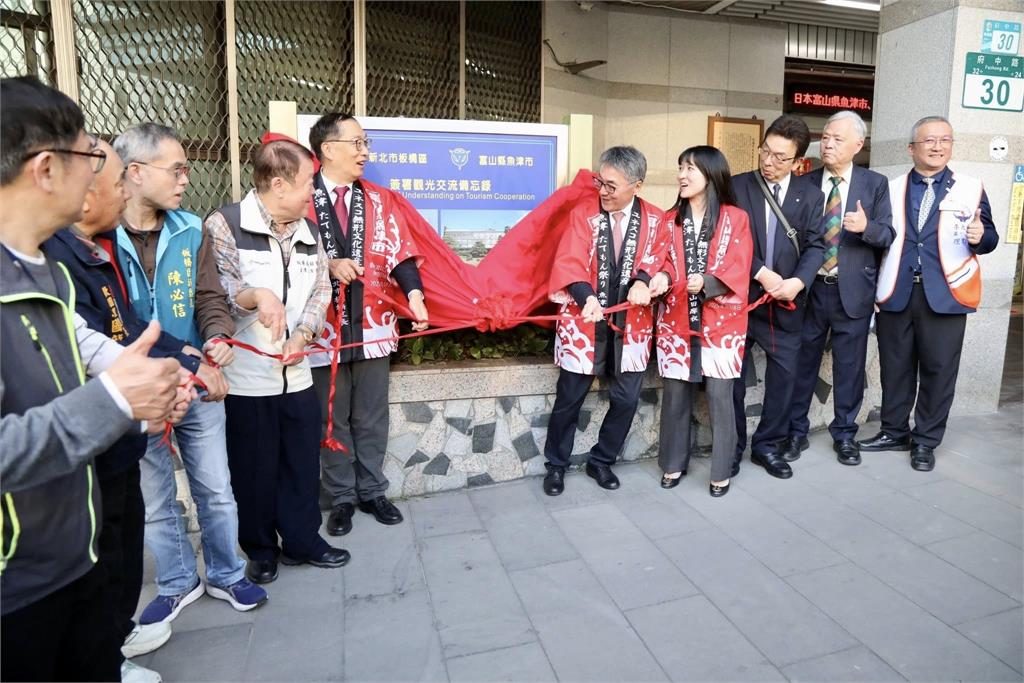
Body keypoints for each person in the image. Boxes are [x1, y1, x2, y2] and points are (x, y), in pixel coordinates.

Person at [0, 75, 181, 682]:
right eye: (91, 158)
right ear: (46, 168)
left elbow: (83, 343)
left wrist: (142, 374)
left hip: (74, 557)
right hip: (14, 591)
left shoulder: (44, 264)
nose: (104, 175)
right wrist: (114, 399)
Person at [43, 139, 199, 682]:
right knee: (102, 554)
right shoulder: (52, 262)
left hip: (120, 438)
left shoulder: (95, 248)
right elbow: (85, 351)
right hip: (92, 446)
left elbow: (125, 331)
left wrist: (177, 360)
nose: (115, 194)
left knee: (124, 547)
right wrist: (147, 396)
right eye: (111, 186)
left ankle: (117, 635)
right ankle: (106, 655)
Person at [113, 123, 267, 623]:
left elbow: (208, 298)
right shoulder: (98, 239)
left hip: (199, 384)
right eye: (176, 169)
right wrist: (190, 359)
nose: (185, 178)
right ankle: (179, 581)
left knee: (216, 490)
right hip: (139, 391)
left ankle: (226, 573)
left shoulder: (190, 228)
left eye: (186, 168)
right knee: (156, 498)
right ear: (134, 173)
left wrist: (218, 338)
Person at [206, 138, 350, 584]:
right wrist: (257, 297)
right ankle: (261, 548)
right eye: (309, 183)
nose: (314, 192)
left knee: (301, 464)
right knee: (254, 469)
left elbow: (320, 290)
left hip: (298, 372)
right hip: (248, 378)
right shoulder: (226, 224)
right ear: (279, 184)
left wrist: (305, 332)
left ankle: (303, 540)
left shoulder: (311, 230)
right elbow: (222, 291)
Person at [306, 113, 428, 536]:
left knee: (371, 416)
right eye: (356, 143)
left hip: (374, 326)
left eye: (365, 143)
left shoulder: (379, 200)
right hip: (319, 332)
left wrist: (414, 295)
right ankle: (340, 497)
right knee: (330, 417)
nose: (364, 151)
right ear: (327, 148)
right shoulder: (300, 197)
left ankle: (373, 490)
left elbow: (401, 255)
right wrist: (327, 264)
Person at [858, 116, 999, 471]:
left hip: (946, 293)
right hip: (897, 290)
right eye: (929, 141)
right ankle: (893, 431)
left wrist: (980, 238)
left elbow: (991, 238)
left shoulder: (971, 187)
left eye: (945, 140)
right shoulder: (889, 188)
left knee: (938, 371)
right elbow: (883, 236)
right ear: (911, 148)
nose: (937, 147)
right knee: (895, 368)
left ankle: (925, 441)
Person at [542, 145, 668, 496]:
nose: (603, 191)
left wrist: (645, 280)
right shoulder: (583, 214)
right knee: (569, 398)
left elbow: (661, 259)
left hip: (632, 325)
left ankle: (602, 461)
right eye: (601, 182)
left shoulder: (656, 220)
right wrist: (587, 297)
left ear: (637, 186)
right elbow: (569, 260)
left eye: (612, 185)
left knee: (626, 399)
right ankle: (556, 465)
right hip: (586, 321)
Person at [785, 110, 894, 466]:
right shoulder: (803, 183)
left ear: (858, 145)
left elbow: (888, 235)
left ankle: (845, 433)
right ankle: (795, 432)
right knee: (803, 364)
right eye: (826, 137)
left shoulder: (874, 184)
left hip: (852, 290)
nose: (827, 144)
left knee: (850, 367)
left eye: (837, 139)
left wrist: (866, 227)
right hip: (809, 289)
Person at [651, 146, 753, 497]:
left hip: (721, 324)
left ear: (711, 175)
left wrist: (708, 283)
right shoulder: (669, 220)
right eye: (680, 167)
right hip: (676, 319)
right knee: (676, 395)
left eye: (690, 168)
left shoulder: (735, 218)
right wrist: (661, 277)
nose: (682, 174)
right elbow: (659, 259)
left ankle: (722, 469)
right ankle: (672, 463)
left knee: (721, 397)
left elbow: (739, 264)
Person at [731, 115, 826, 480]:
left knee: (784, 378)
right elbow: (727, 242)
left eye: (780, 158)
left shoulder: (811, 196)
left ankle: (767, 446)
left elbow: (816, 246)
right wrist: (761, 272)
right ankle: (734, 444)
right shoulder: (738, 187)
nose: (769, 162)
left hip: (786, 302)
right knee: (731, 379)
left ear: (798, 161)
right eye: (765, 152)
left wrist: (798, 282)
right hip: (740, 300)